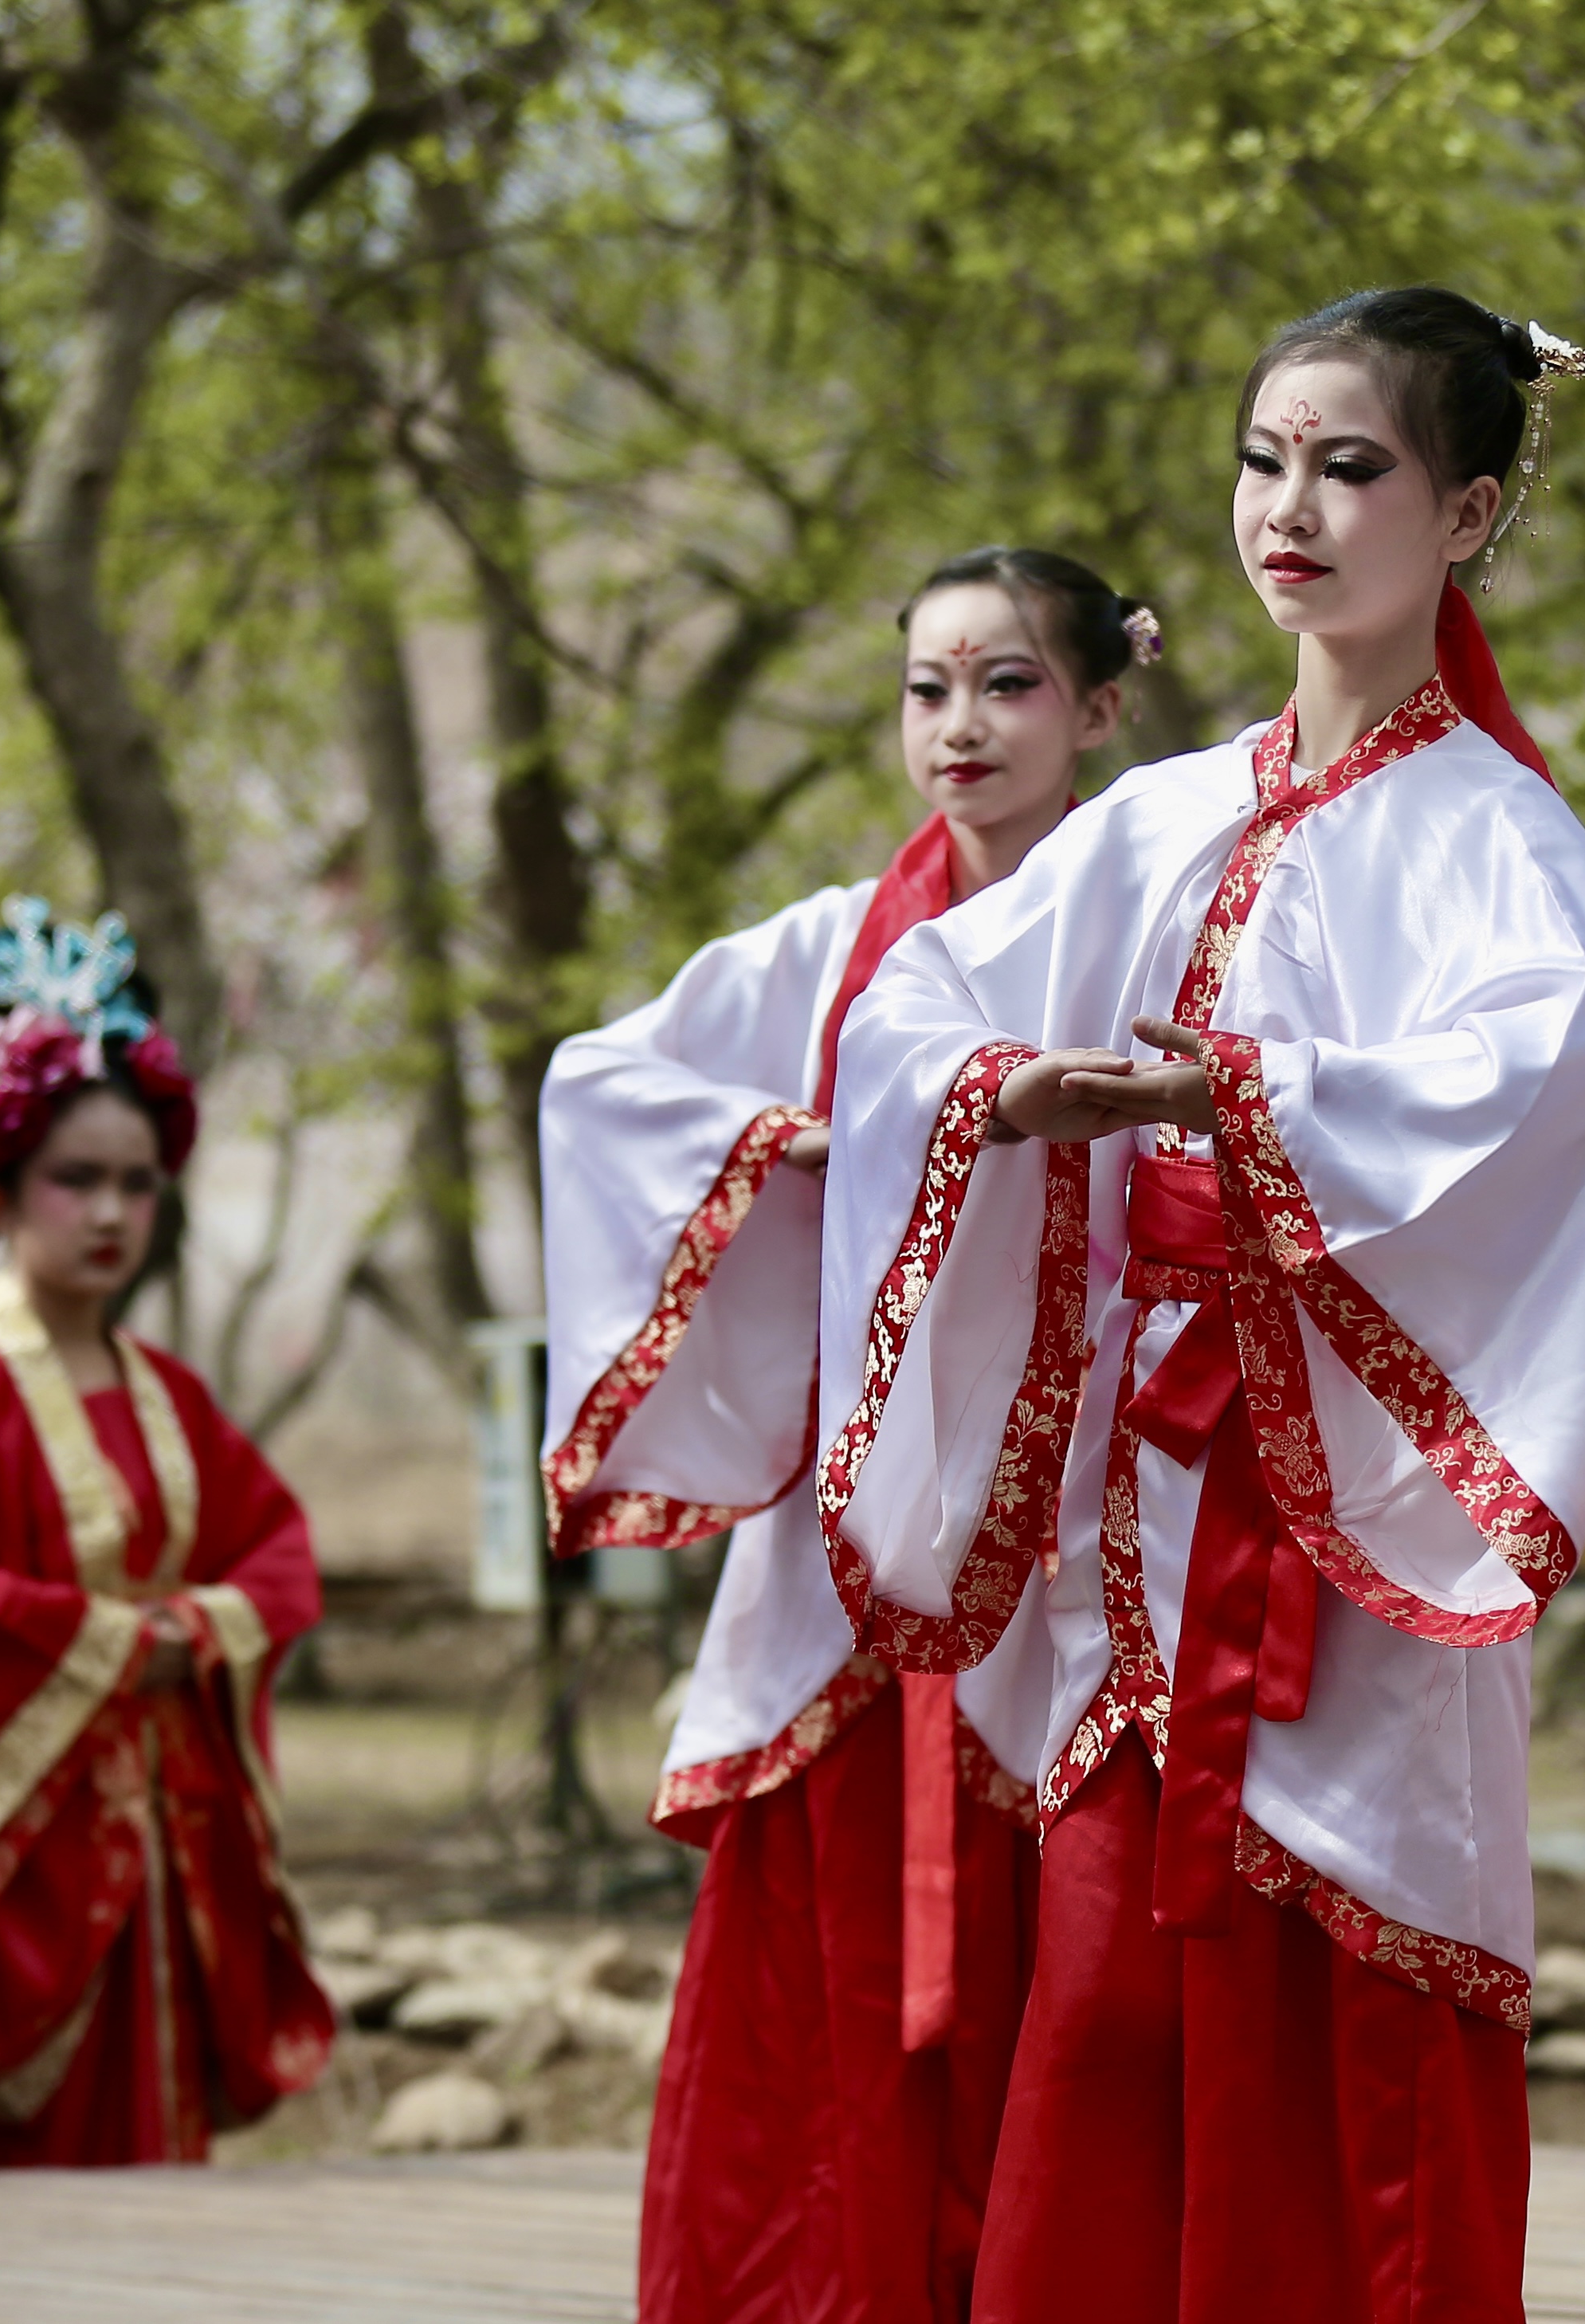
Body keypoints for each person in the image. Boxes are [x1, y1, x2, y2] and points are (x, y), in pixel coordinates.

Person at [816, 290, 1585, 2321]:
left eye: (1351, 466)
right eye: (1264, 460)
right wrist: (1004, 1090)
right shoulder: (1162, 817)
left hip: (1345, 1522)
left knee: (1339, 2016)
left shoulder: (1493, 835)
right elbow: (913, 1011)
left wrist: (1258, 1102)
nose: (1289, 506)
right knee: (1105, 2015)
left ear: (1466, 515)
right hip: (1141, 1517)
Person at [539, 548, 1158, 2322]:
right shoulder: (828, 954)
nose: (961, 725)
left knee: (1082, 1977)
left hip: (1085, 1537)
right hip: (850, 1546)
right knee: (831, 2001)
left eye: (1010, 684)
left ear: (1100, 708)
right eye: (926, 689)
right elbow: (599, 1086)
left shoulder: (1156, 932)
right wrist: (799, 1146)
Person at [0, 901, 332, 2172]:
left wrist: (193, 1630)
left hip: (157, 1861)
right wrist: (119, 1644)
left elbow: (275, 1551)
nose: (110, 1212)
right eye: (76, 1179)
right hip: (12, 1883)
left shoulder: (175, 1400)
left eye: (136, 1183)